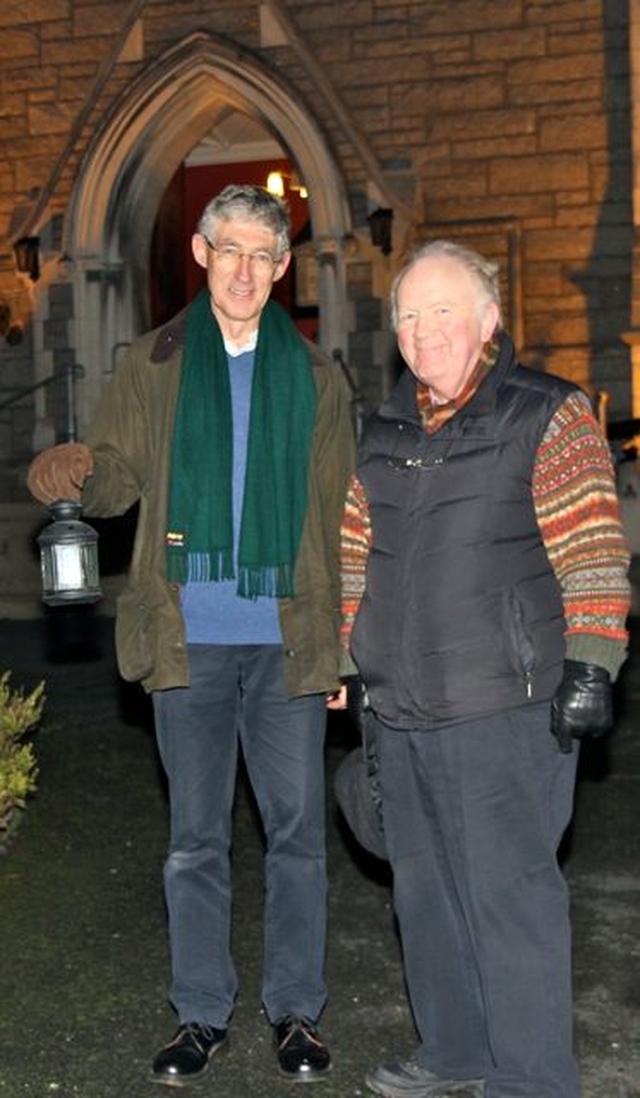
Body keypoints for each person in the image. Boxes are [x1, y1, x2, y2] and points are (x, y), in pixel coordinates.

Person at [27, 184, 355, 1088]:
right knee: (193, 840)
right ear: (203, 255)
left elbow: (341, 521)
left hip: (289, 638)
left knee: (294, 836)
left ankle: (296, 1012)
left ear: (283, 268)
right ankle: (200, 1012)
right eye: (231, 249)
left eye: (265, 254)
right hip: (189, 638)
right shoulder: (153, 363)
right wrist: (78, 474)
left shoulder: (320, 379)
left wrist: (346, 650)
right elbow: (119, 476)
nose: (246, 269)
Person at [334, 239, 631, 1098]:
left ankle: (533, 1079)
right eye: (410, 317)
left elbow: (593, 550)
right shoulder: (384, 429)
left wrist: (594, 661)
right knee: (423, 895)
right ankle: (456, 1052)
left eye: (444, 311)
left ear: (489, 320)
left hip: (505, 702)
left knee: (511, 899)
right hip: (401, 706)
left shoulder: (547, 411)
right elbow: (356, 552)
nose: (425, 332)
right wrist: (344, 654)